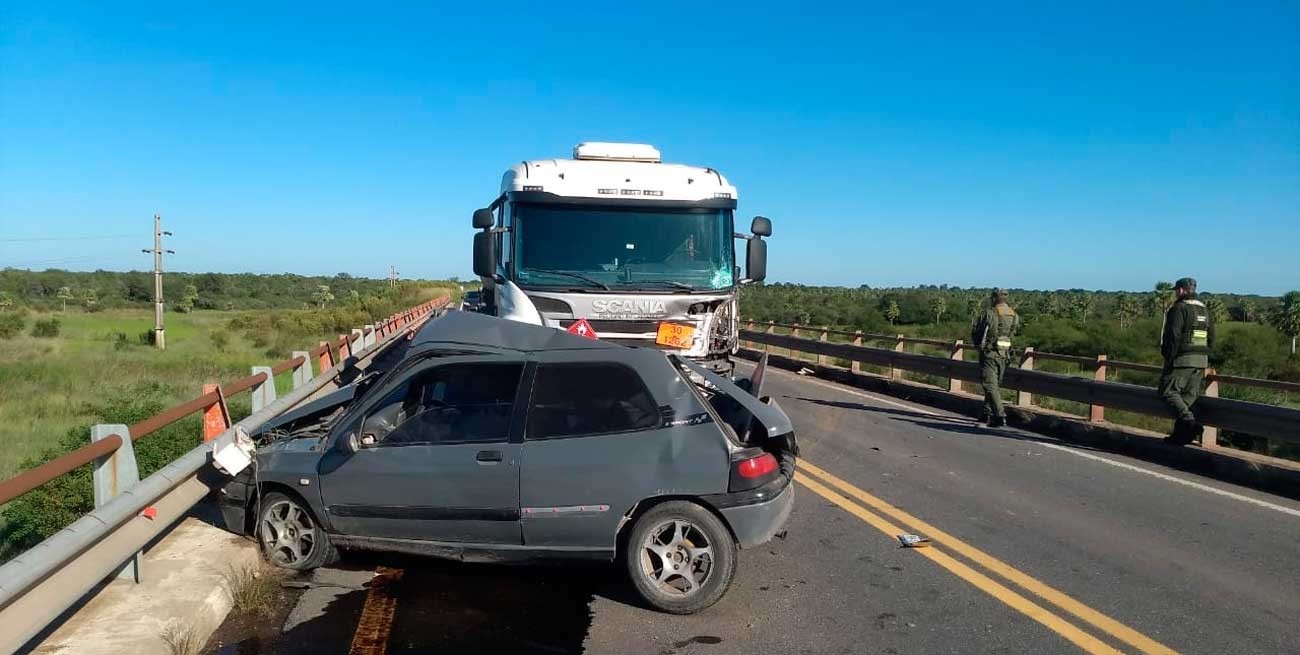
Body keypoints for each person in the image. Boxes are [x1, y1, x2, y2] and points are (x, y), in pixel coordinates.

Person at [1159, 277, 1215, 445]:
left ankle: (1189, 421)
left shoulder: (1179, 308)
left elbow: (1173, 335)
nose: (1176, 293)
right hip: (1201, 361)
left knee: (1167, 391)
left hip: (1182, 358)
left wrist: (1169, 356)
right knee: (1187, 398)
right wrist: (1206, 357)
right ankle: (1181, 435)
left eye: (1176, 290)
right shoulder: (1205, 310)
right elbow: (1211, 337)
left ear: (1182, 290)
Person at [972, 289, 1020, 428]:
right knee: (993, 385)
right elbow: (1013, 333)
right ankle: (986, 414)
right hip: (1005, 354)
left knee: (990, 385)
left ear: (994, 298)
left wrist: (978, 345)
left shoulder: (990, 313)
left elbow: (978, 331)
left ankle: (1000, 416)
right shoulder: (1013, 315)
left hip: (990, 353)